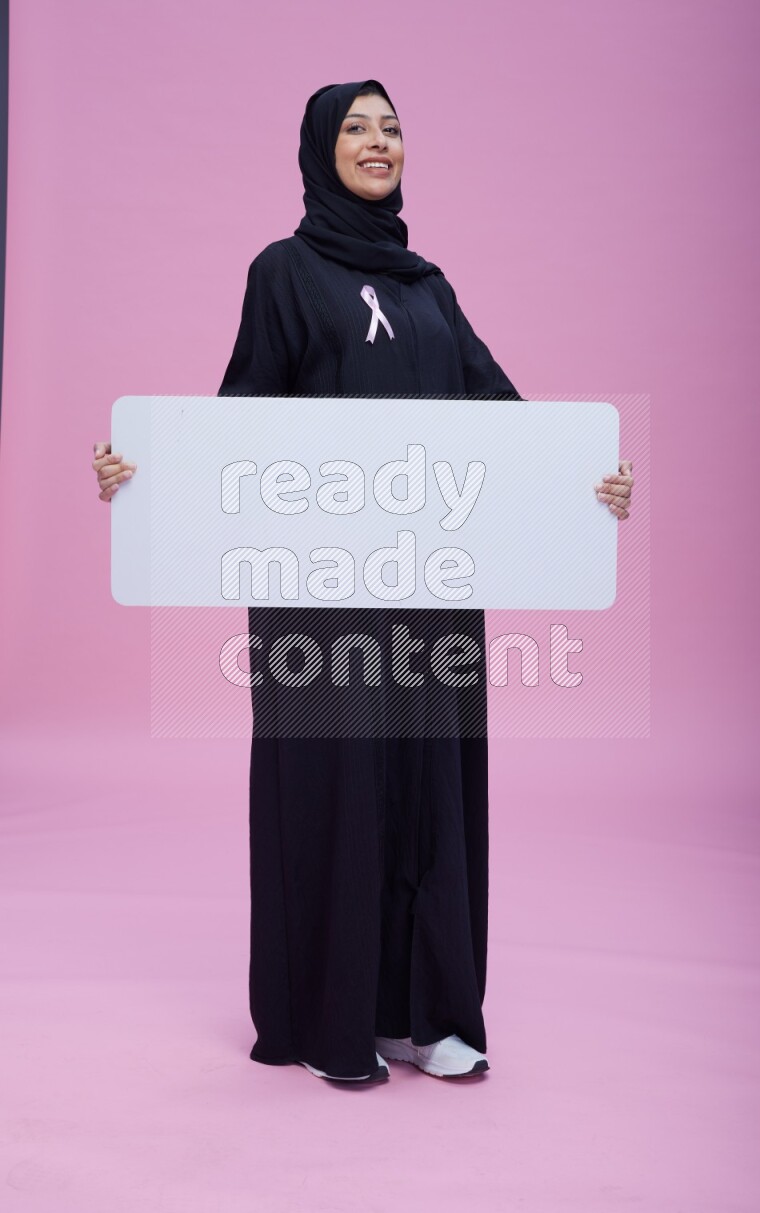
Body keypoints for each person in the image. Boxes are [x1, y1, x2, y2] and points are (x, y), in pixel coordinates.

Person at [93, 79, 634, 1087]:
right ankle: (335, 1019)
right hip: (320, 597)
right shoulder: (283, 272)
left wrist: (583, 482)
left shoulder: (430, 287)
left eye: (391, 127)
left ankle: (427, 1016)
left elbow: (502, 416)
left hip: (431, 590)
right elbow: (235, 422)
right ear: (318, 149)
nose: (377, 141)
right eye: (355, 127)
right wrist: (142, 472)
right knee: (338, 789)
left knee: (429, 790)